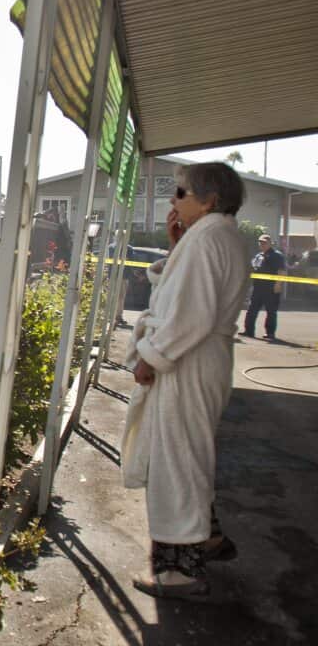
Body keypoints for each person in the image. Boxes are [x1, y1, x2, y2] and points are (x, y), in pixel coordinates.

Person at [122, 162, 249, 599]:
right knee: (186, 455)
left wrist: (150, 358)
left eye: (180, 192)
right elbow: (182, 295)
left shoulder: (210, 237)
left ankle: (182, 573)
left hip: (188, 362)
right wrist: (177, 246)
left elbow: (190, 316)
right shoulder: (211, 235)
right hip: (200, 361)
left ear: (209, 199)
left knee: (177, 462)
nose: (173, 201)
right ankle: (207, 538)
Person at [241, 234, 287, 339]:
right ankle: (249, 331)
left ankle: (270, 333)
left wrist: (278, 284)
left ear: (270, 243)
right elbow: (253, 269)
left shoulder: (277, 256)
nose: (262, 244)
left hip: (271, 288)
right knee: (251, 310)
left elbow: (281, 271)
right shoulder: (258, 256)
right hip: (257, 288)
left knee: (271, 311)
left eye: (264, 242)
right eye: (260, 242)